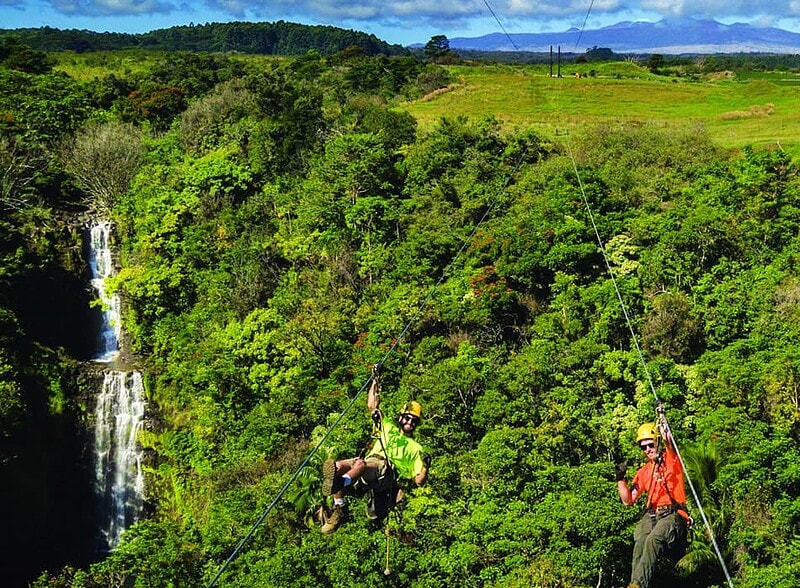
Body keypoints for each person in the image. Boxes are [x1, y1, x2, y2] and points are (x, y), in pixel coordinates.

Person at [320, 373, 430, 534]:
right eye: (407, 418)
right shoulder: (387, 426)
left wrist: (426, 467)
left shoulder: (416, 448)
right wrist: (375, 380)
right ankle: (339, 507)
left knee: (360, 465)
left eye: (414, 421)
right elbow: (372, 405)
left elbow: (419, 481)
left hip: (386, 471)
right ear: (400, 417)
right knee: (337, 466)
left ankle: (340, 484)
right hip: (370, 461)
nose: (410, 422)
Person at [616, 418, 690, 588]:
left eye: (651, 445)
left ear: (658, 443)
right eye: (644, 447)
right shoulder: (645, 471)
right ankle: (634, 584)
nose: (648, 449)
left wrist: (664, 430)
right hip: (654, 515)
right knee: (640, 541)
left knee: (653, 539)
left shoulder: (671, 460)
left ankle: (639, 584)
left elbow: (670, 444)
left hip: (673, 515)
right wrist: (620, 479)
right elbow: (628, 500)